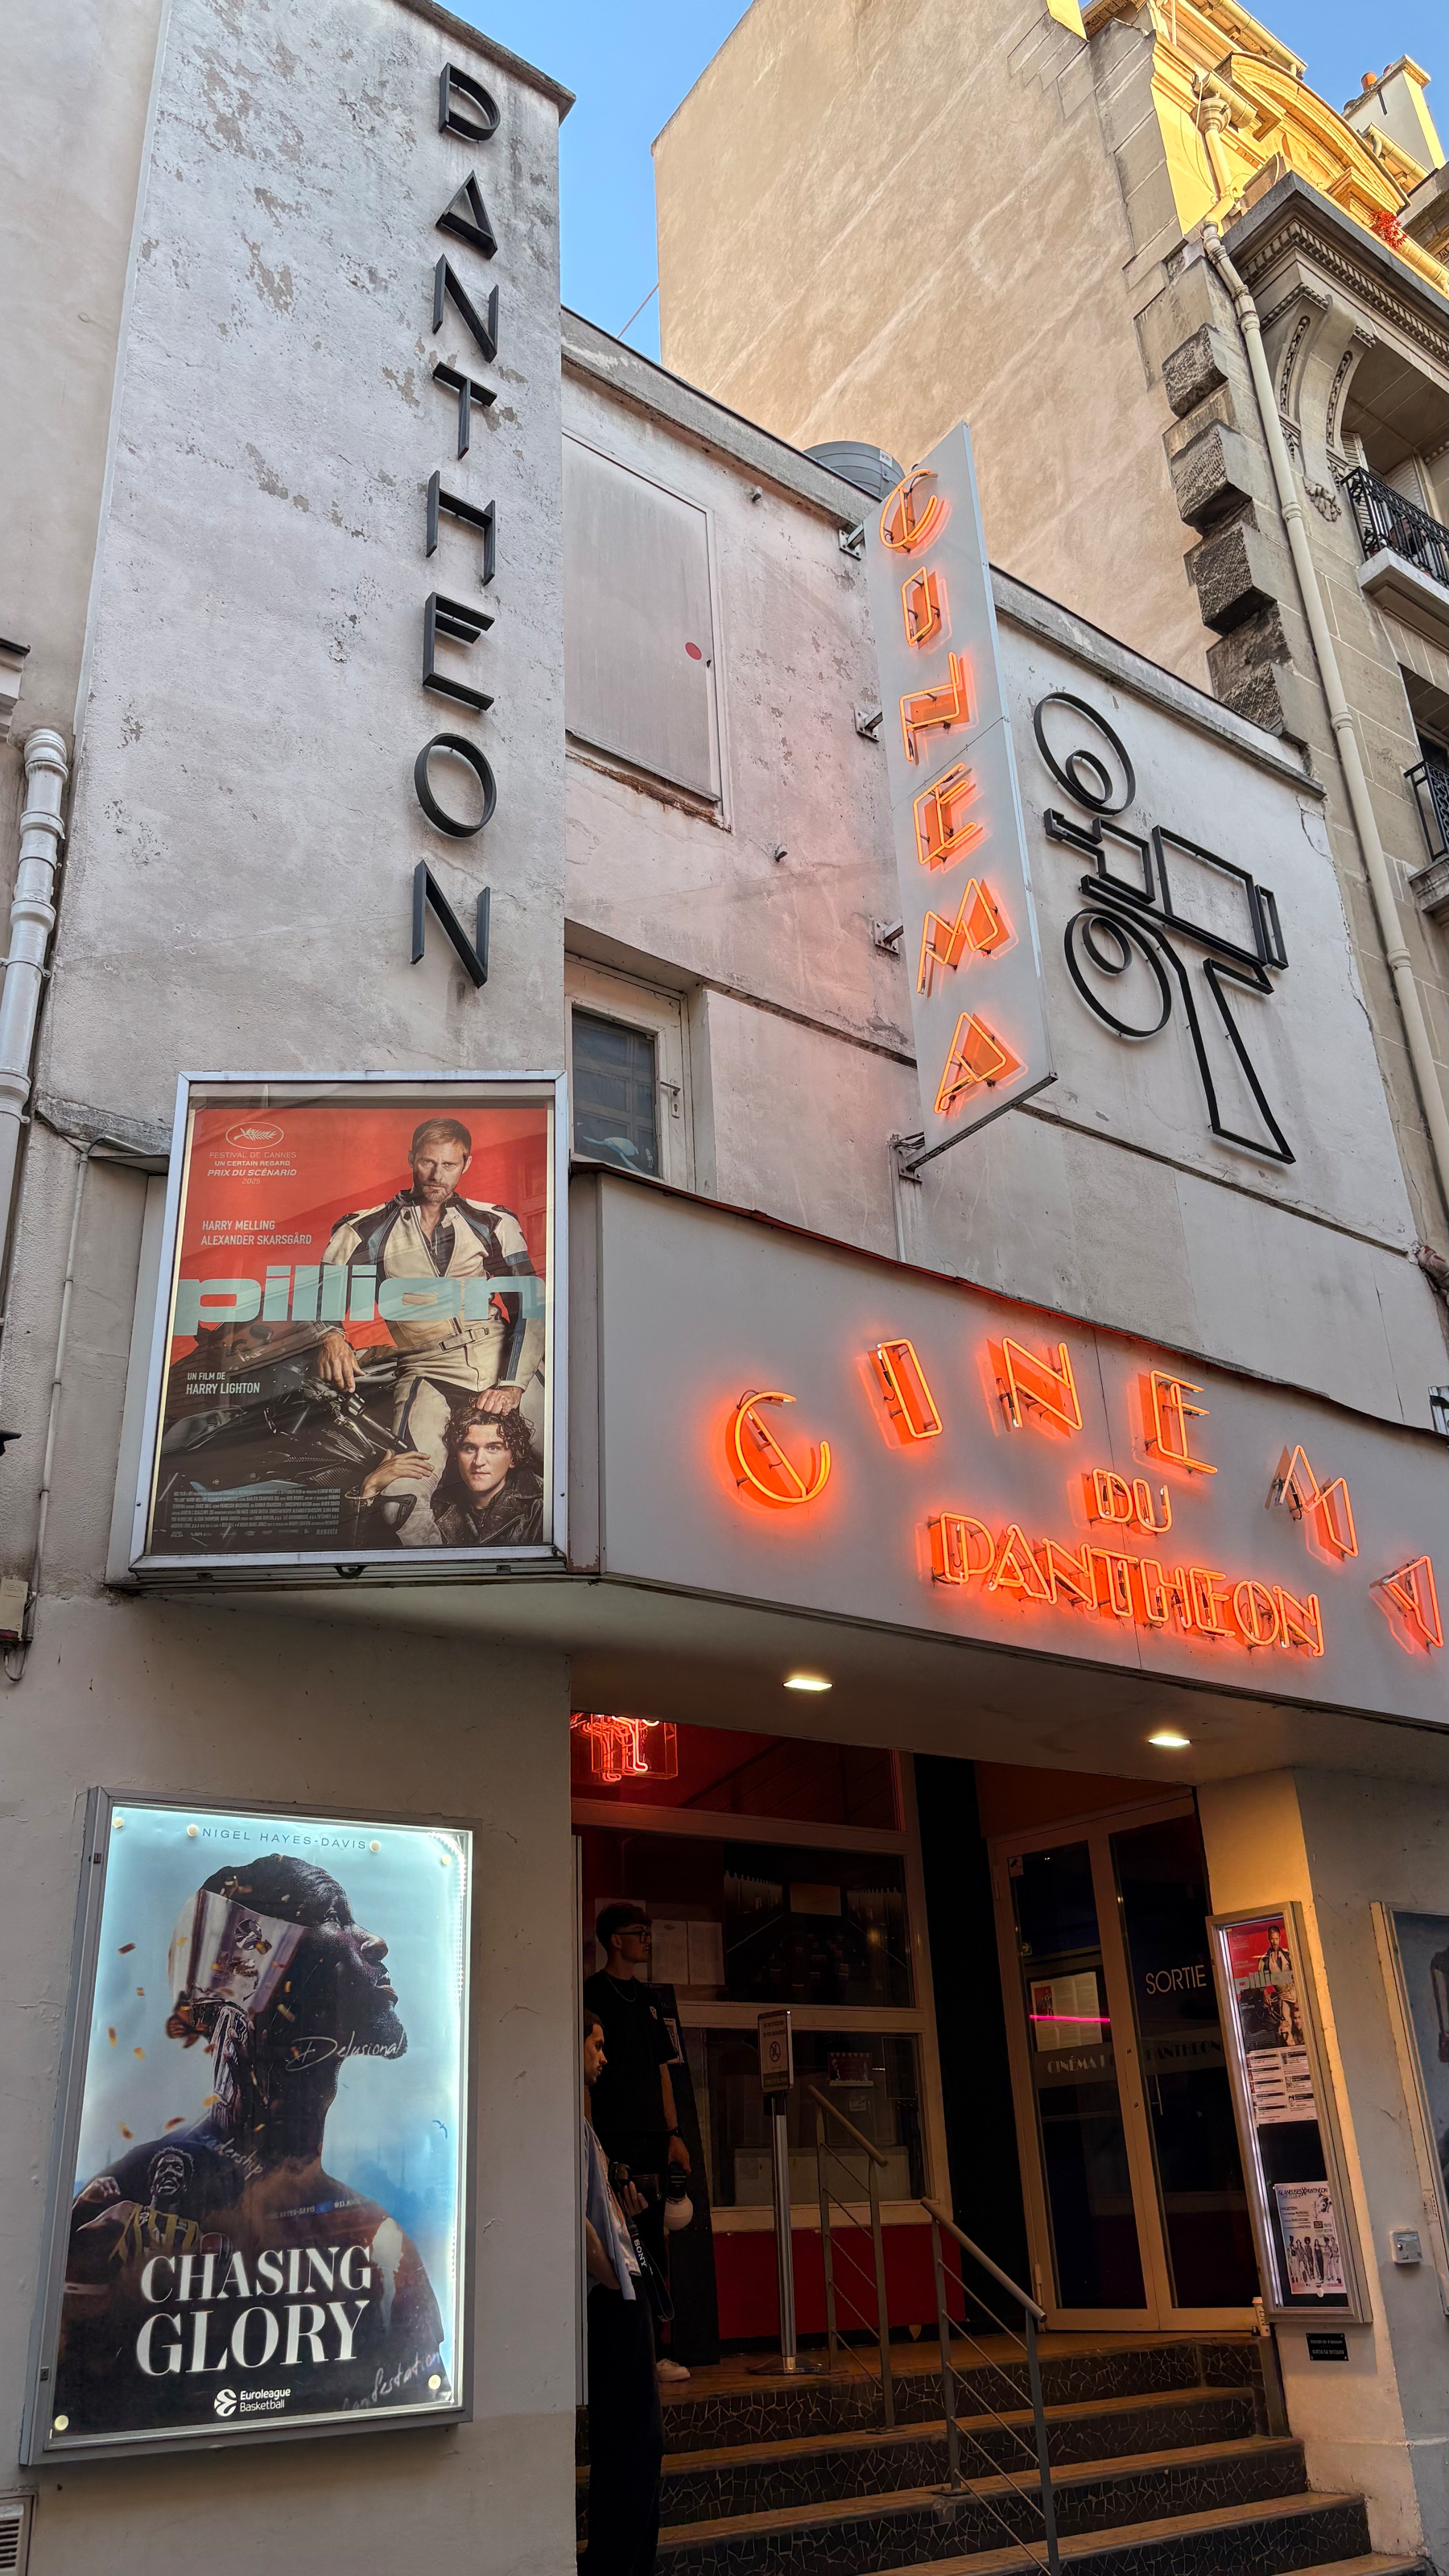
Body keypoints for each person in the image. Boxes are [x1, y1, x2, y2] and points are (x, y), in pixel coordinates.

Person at [55, 1855, 448, 2434]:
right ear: (255, 1969)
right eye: (334, 1917)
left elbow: (415, 2415)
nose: (376, 1942)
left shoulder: (375, 2236)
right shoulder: (123, 2206)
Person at [316, 1116, 545, 1523]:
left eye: (449, 1164)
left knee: (569, 1463)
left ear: (466, 1164)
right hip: (426, 1369)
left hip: (498, 1357)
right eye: (427, 1162)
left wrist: (513, 1385)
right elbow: (320, 1296)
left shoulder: (493, 1222)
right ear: (411, 1159)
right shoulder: (363, 1229)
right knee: (400, 1502)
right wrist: (331, 1336)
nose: (437, 1175)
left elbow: (531, 1304)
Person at [583, 1904, 691, 2383]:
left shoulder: (650, 2000)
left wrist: (674, 2134)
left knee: (654, 2240)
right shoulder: (590, 1994)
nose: (647, 1940)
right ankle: (624, 2350)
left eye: (648, 1932)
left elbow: (663, 2069)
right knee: (619, 2240)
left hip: (653, 2137)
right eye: (638, 1932)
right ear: (614, 1940)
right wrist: (594, 2142)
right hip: (613, 2137)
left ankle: (656, 2349)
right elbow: (586, 2076)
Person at [582, 2007, 663, 2576]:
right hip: (613, 2299)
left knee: (639, 2444)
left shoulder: (580, 2124)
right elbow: (574, 2219)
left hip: (622, 2292)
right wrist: (614, 2275)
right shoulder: (566, 2125)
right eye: (596, 2045)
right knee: (634, 2444)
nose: (604, 2057)